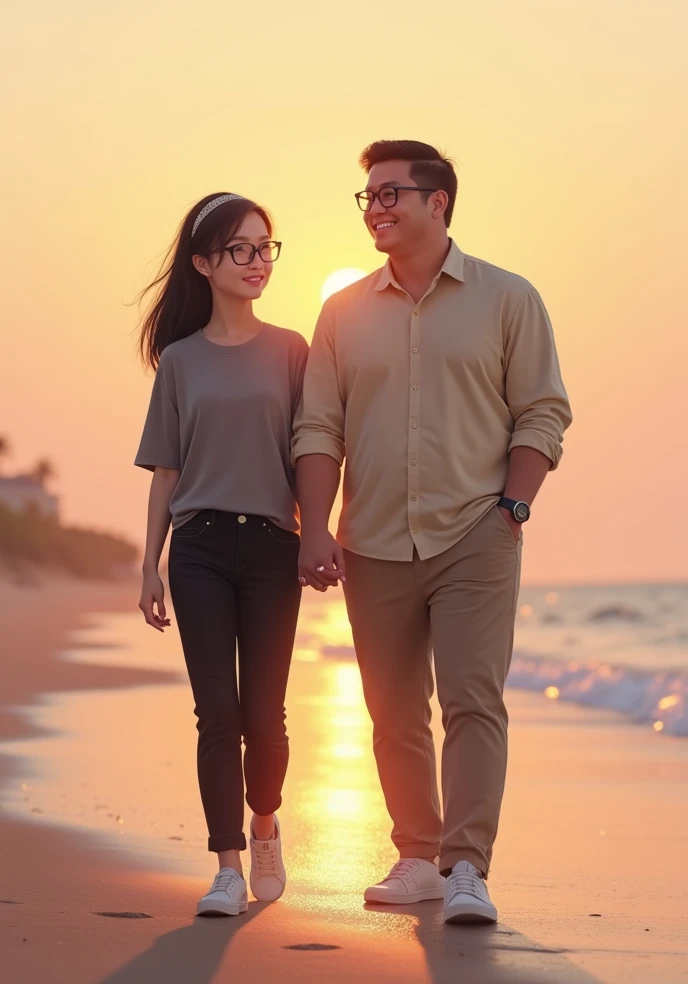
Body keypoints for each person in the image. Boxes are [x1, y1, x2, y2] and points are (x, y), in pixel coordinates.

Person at [293, 140, 572, 925]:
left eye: (391, 194)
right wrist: (316, 528)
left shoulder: (508, 298)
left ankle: (466, 868)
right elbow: (318, 426)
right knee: (391, 710)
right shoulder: (343, 312)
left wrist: (512, 509)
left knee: (473, 701)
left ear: (438, 203)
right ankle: (417, 856)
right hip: (372, 538)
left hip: (476, 531)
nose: (375, 208)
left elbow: (543, 410)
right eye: (368, 197)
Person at [134, 192, 308, 917]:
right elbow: (166, 470)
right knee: (218, 715)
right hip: (199, 546)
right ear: (204, 263)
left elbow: (313, 454)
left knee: (265, 716)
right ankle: (227, 866)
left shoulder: (293, 351)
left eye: (266, 246)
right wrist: (150, 563)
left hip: (273, 547)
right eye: (241, 249)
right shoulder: (178, 361)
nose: (258, 260)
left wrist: (325, 535)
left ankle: (265, 822)